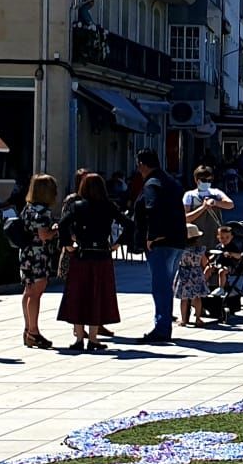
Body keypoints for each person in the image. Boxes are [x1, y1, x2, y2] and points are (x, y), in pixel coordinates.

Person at [56, 173, 121, 352]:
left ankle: (78, 338)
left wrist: (68, 244)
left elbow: (62, 225)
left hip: (82, 254)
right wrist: (118, 242)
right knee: (97, 294)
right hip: (102, 254)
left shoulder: (77, 206)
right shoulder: (108, 206)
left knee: (78, 293)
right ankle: (93, 338)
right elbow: (129, 224)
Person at [130, 149, 185, 343]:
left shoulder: (152, 184)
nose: (138, 169)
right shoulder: (170, 181)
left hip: (161, 243)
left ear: (143, 165)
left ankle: (162, 328)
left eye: (138, 165)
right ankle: (164, 323)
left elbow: (152, 209)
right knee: (165, 284)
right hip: (177, 240)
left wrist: (152, 236)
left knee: (160, 286)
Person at [18, 173, 61, 350]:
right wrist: (56, 231)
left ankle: (28, 329)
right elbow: (44, 235)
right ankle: (34, 332)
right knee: (36, 292)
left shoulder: (27, 208)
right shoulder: (43, 212)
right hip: (38, 254)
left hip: (26, 252)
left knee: (28, 291)